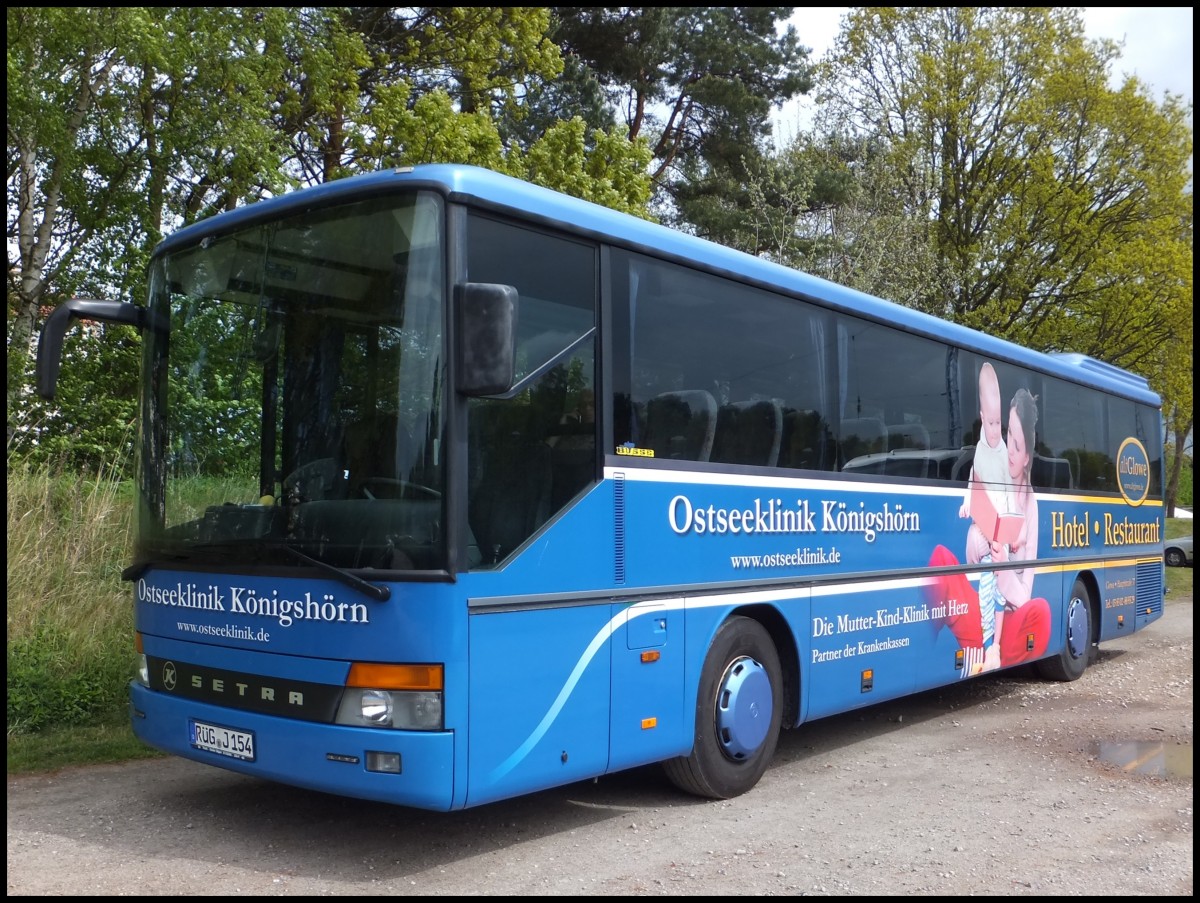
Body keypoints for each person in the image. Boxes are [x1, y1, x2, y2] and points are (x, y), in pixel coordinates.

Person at [926, 387, 1050, 675]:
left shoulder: (1030, 505)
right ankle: (976, 651)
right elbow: (971, 555)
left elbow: (1025, 596)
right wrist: (979, 535)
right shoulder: (991, 473)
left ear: (1028, 457)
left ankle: (992, 650)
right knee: (941, 559)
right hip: (980, 592)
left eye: (1016, 446)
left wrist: (1003, 565)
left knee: (1041, 611)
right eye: (1008, 438)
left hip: (1009, 613)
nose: (1009, 451)